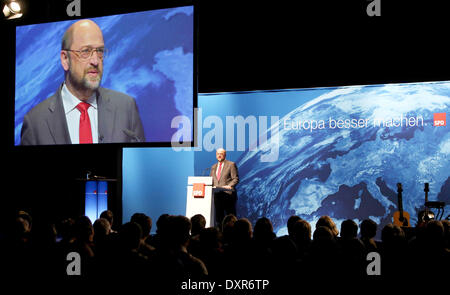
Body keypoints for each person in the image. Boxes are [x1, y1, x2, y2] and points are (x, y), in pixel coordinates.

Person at [20, 19, 145, 145]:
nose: (95, 61)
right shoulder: (35, 122)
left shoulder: (126, 107)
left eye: (100, 51)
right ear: (65, 59)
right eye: (86, 51)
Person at [210, 148, 239, 227]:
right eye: (218, 154)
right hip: (217, 196)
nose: (219, 155)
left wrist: (229, 186)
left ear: (225, 155)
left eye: (221, 154)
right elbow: (211, 180)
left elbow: (235, 179)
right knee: (219, 219)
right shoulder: (213, 167)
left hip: (228, 195)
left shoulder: (231, 164)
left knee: (230, 219)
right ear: (216, 155)